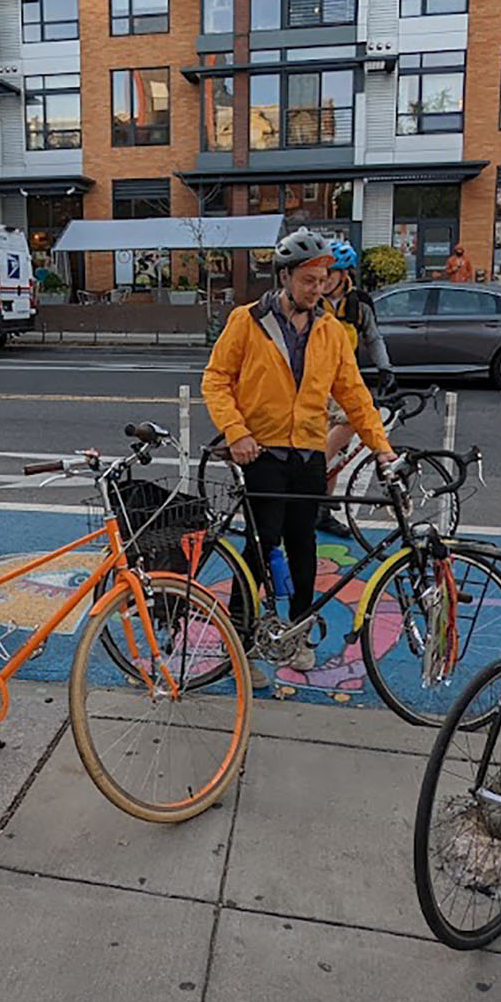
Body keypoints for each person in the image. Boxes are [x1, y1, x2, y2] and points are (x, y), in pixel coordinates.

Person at [201, 229, 394, 671]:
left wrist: (381, 448)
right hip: (262, 453)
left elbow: (354, 395)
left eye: (323, 278)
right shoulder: (247, 321)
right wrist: (235, 431)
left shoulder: (329, 330)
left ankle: (298, 634)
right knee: (259, 546)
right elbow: (215, 379)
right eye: (309, 279)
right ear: (285, 276)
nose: (318, 287)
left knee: (304, 548)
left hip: (309, 455)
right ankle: (242, 635)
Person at [316, 241, 395, 537]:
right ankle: (310, 473)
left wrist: (386, 369)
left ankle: (321, 510)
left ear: (344, 273)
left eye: (330, 273)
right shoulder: (312, 300)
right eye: (321, 272)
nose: (324, 280)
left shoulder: (358, 304)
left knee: (338, 449)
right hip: (313, 379)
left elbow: (373, 338)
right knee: (344, 427)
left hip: (343, 379)